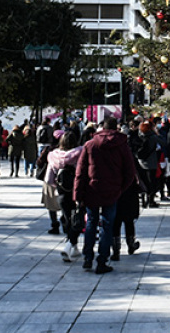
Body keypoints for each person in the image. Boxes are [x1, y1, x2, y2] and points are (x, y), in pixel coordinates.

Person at [74, 117, 137, 274]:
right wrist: (120, 188)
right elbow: (130, 171)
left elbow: (80, 172)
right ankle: (102, 260)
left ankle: (87, 257)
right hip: (112, 191)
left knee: (91, 223)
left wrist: (78, 194)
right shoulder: (122, 145)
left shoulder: (90, 144)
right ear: (116, 128)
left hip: (92, 189)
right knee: (107, 225)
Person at [48, 130, 86, 262]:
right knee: (79, 218)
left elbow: (49, 179)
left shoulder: (53, 156)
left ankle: (72, 247)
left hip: (62, 191)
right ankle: (69, 245)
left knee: (67, 219)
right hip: (78, 190)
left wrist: (57, 185)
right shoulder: (81, 153)